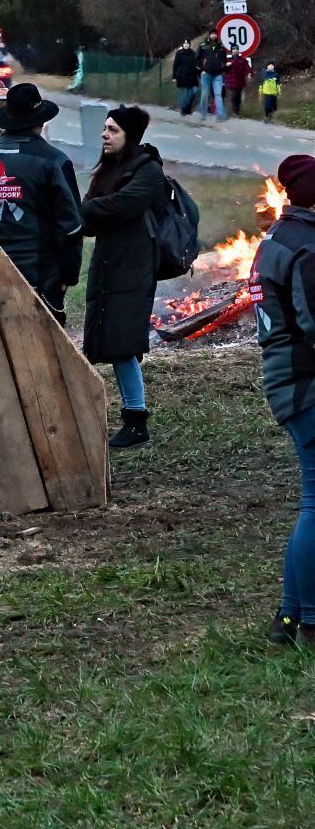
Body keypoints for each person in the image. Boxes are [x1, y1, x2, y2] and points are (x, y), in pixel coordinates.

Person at [80, 106, 172, 450]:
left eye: (113, 130)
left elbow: (122, 205)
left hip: (134, 267)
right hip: (107, 264)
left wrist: (82, 210)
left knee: (124, 344)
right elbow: (91, 218)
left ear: (129, 136)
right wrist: (88, 212)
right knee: (105, 340)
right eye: (105, 128)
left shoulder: (148, 172)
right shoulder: (107, 170)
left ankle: (136, 420)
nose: (105, 134)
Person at [253, 153, 315, 648]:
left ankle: (289, 619)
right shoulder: (307, 246)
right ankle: (311, 621)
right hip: (306, 383)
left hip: (287, 379)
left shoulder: (277, 237)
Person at [0, 83, 83, 322]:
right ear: (41, 121)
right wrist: (67, 277)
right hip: (40, 279)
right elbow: (71, 227)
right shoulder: (54, 162)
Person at [199, 34, 226, 120]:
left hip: (217, 74)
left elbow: (224, 60)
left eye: (215, 34)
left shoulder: (221, 47)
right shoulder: (203, 46)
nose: (213, 36)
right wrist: (201, 70)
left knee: (218, 94)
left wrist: (223, 68)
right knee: (204, 94)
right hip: (206, 74)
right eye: (212, 34)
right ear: (209, 35)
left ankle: (220, 115)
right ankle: (203, 114)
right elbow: (197, 59)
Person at [171, 41, 201, 118]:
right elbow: (175, 65)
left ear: (190, 45)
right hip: (182, 77)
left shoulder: (193, 54)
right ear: (183, 45)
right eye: (185, 44)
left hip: (192, 77)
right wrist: (174, 76)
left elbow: (196, 65)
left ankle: (187, 108)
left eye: (187, 44)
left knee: (194, 91)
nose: (186, 45)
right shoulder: (179, 53)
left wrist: (200, 75)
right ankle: (184, 110)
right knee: (185, 94)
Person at [222, 45, 252, 119]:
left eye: (236, 49)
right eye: (233, 49)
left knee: (238, 98)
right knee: (233, 96)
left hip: (240, 82)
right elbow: (222, 69)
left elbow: (247, 68)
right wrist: (226, 66)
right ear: (231, 51)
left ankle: (236, 112)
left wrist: (249, 74)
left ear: (238, 50)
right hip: (230, 82)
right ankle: (232, 112)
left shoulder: (242, 60)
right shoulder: (227, 60)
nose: (235, 50)